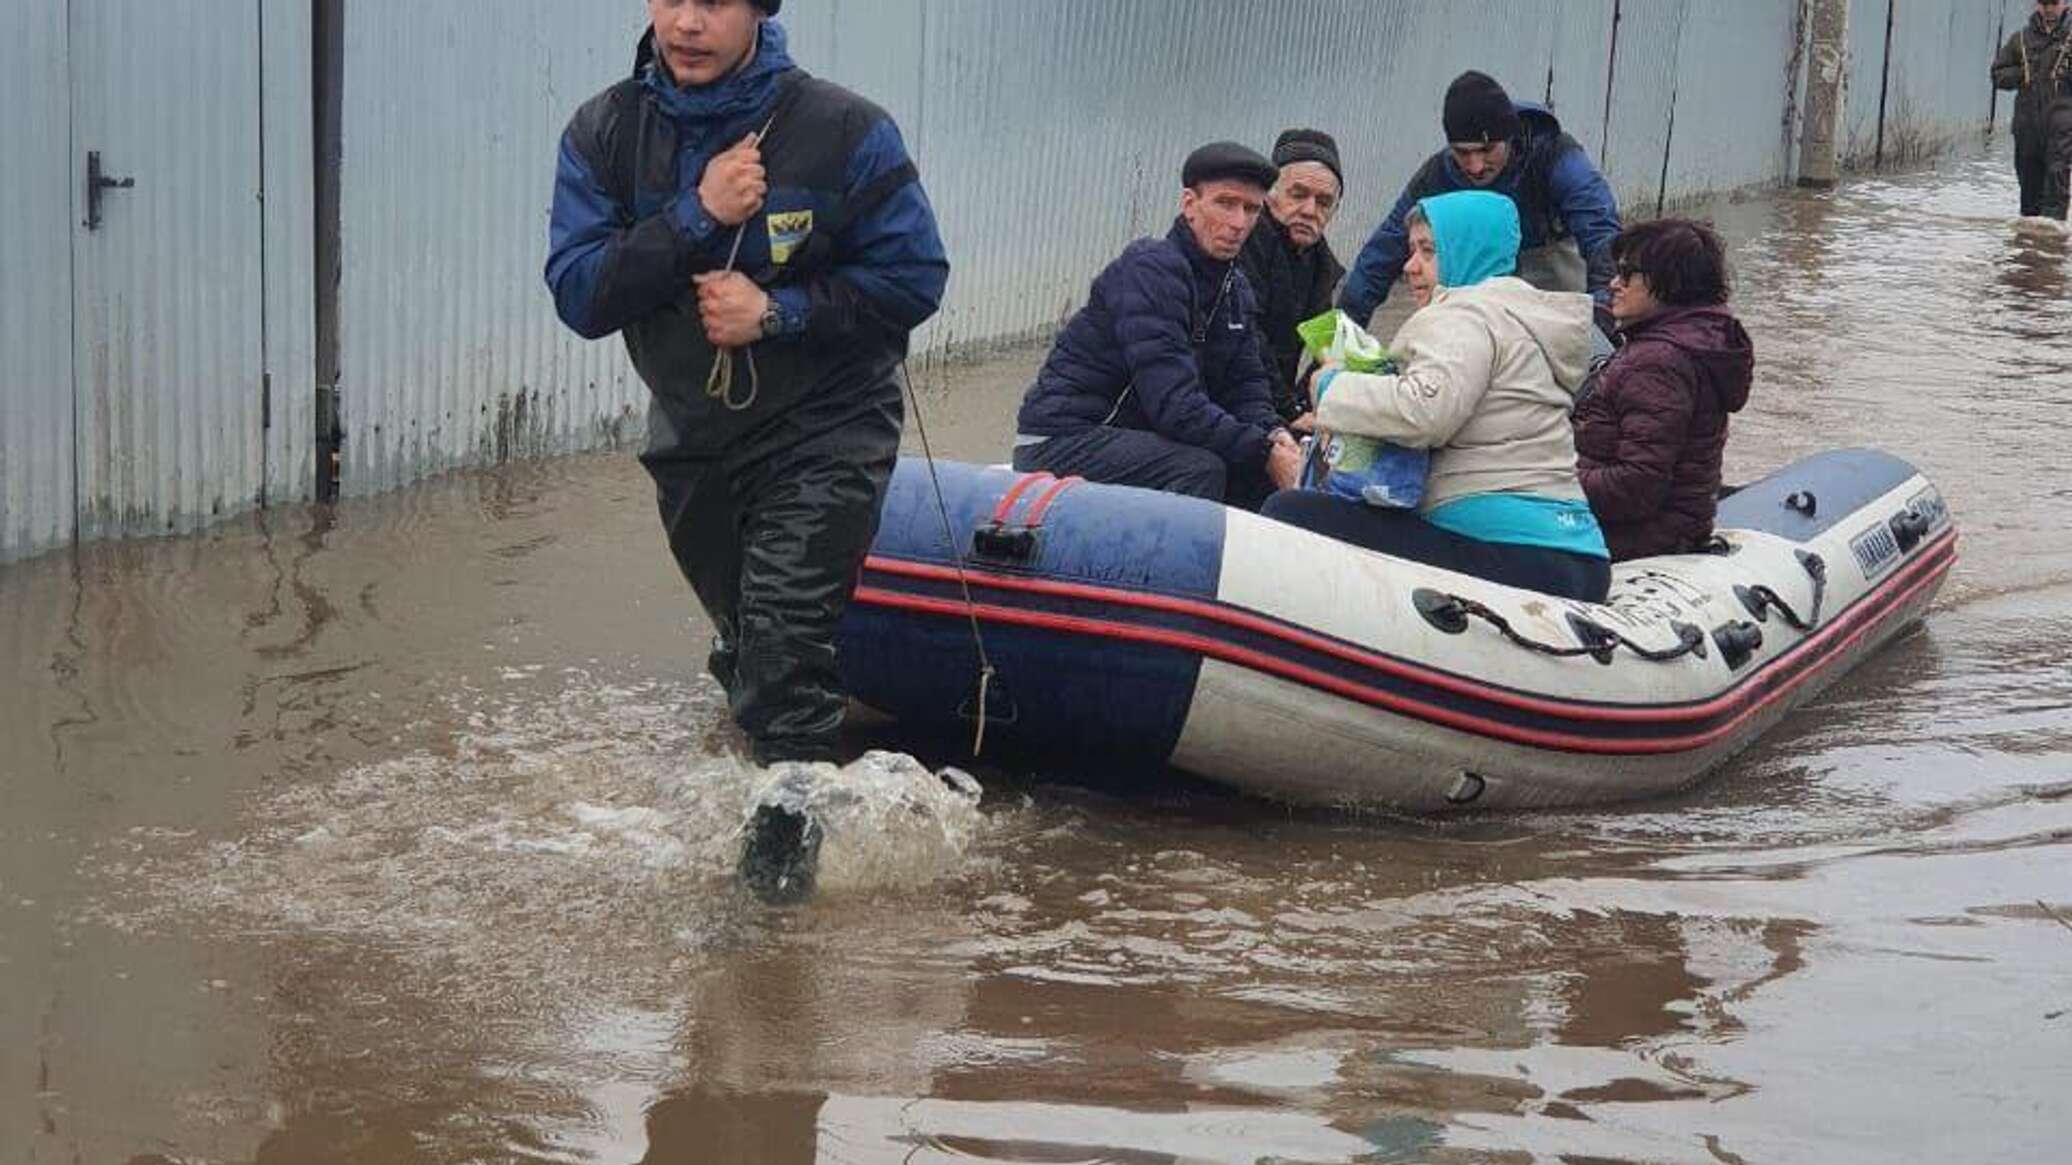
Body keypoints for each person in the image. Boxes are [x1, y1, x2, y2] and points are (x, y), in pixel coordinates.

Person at [544, 0, 948, 895]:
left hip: (827, 428)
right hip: (693, 436)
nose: (689, 21)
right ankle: (798, 796)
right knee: (746, 644)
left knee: (786, 665)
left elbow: (916, 277)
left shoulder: (844, 130)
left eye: (717, 1)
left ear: (761, 11)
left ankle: (771, 927)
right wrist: (695, 214)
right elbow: (579, 293)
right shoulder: (605, 133)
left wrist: (779, 312)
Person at [1261, 190, 1611, 603]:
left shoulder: (1463, 313)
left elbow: (1424, 412)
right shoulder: (1522, 318)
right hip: (1580, 556)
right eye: (1411, 250)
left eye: (1428, 251)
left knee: (1290, 511)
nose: (1410, 267)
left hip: (1506, 551)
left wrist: (1330, 386)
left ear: (1467, 250)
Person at [1012, 142, 1304, 508]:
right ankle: (1170, 566)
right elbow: (1175, 406)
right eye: (1225, 203)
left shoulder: (1236, 290)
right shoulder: (1151, 270)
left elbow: (1245, 387)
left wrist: (1275, 435)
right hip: (1064, 438)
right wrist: (1262, 451)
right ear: (1189, 205)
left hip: (1134, 437)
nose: (1238, 223)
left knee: (1257, 468)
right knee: (1201, 469)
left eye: (1251, 209)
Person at [1339, 70, 1622, 327]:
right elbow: (1380, 254)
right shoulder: (1437, 175)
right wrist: (1337, 338)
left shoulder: (1555, 156)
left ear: (1509, 138)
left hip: (1550, 270)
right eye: (1462, 152)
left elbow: (1602, 236)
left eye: (1487, 150)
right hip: (1474, 285)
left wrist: (1604, 313)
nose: (1475, 166)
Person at [1572, 220, 1753, 561]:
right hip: (1676, 525)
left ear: (1668, 282)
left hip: (1639, 536)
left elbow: (1636, 486)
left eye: (1626, 275)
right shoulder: (1693, 341)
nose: (1613, 284)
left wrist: (1544, 481)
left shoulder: (1658, 362)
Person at [1237, 128, 1349, 431]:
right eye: (1298, 195)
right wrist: (1290, 410)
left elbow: (1329, 345)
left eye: (1324, 202)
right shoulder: (1243, 244)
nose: (1310, 210)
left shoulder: (1321, 265)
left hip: (1269, 403)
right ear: (1270, 195)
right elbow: (1248, 338)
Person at [1993, 0, 2072, 220]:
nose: (2048, 9)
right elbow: (1997, 74)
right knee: (2029, 197)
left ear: (2065, 4)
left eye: (2053, 4)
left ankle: (2052, 245)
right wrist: (2020, 75)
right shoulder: (2020, 39)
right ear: (2035, 5)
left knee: (2056, 186)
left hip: (2061, 129)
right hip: (2027, 127)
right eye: (2043, 4)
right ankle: (2029, 248)